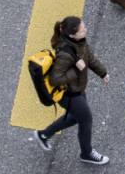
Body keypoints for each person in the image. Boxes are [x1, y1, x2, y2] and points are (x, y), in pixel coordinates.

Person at [34, 16, 110, 166]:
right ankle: (86, 153)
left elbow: (90, 59)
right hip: (68, 94)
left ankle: (43, 134)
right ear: (72, 35)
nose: (86, 30)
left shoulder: (80, 42)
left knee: (76, 118)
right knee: (86, 119)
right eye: (82, 30)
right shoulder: (65, 54)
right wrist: (76, 69)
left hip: (77, 89)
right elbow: (55, 79)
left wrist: (103, 73)